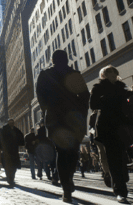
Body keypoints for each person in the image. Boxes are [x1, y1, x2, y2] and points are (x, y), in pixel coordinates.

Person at [37, 50, 90, 203]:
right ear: (67, 59)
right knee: (72, 152)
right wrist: (82, 111)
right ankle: (67, 184)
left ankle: (66, 187)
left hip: (57, 119)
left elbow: (40, 96)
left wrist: (47, 109)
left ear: (52, 59)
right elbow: (85, 96)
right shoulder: (74, 74)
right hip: (72, 119)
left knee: (63, 152)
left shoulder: (46, 75)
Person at [90, 65, 133, 204]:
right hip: (107, 127)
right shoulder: (98, 88)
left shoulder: (122, 88)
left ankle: (122, 183)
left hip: (122, 126)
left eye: (114, 72)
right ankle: (120, 191)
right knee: (113, 159)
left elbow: (128, 107)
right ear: (104, 75)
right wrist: (108, 99)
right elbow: (93, 105)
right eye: (109, 72)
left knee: (121, 157)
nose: (113, 75)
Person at [0, 118, 24, 185]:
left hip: (13, 151)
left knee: (13, 166)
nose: (12, 124)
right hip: (8, 151)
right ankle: (9, 178)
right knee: (8, 165)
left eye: (12, 122)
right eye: (10, 123)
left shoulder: (16, 130)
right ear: (8, 123)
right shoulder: (4, 130)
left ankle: (11, 178)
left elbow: (21, 139)